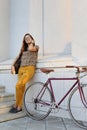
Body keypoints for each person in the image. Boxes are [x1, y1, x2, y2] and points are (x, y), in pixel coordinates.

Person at [9, 33, 39, 113]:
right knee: (20, 87)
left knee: (18, 85)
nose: (27, 39)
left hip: (29, 69)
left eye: (28, 37)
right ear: (24, 41)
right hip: (21, 69)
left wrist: (32, 42)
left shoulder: (35, 47)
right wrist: (12, 65)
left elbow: (30, 49)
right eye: (26, 38)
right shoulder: (23, 49)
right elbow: (17, 57)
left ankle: (18, 106)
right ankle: (18, 105)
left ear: (32, 38)